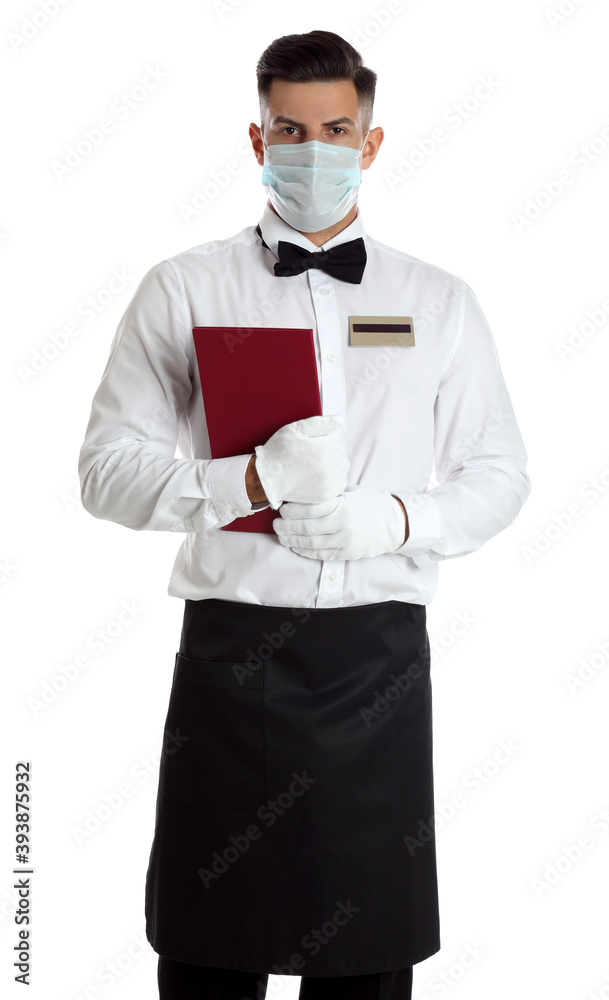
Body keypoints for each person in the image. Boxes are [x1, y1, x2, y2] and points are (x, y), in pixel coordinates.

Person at [77, 28, 531, 1000]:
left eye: (334, 129)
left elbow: (500, 473)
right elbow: (105, 474)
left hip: (378, 666)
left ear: (369, 143)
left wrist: (396, 522)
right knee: (206, 961)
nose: (312, 149)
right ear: (257, 140)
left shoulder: (439, 301)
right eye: (290, 128)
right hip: (229, 665)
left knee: (366, 971)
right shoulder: (183, 288)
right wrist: (248, 481)